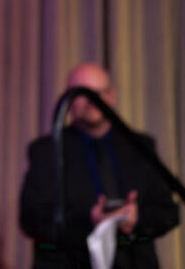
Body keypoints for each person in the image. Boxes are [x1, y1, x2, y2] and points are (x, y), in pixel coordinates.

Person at [18, 62, 180, 267]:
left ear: (112, 95)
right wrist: (90, 221)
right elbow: (31, 218)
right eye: (83, 94)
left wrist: (137, 219)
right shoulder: (47, 150)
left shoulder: (140, 146)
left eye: (99, 93)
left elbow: (168, 212)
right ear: (68, 101)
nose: (92, 102)